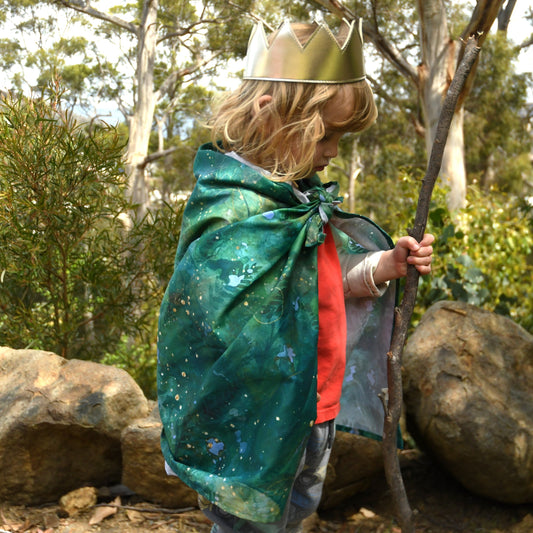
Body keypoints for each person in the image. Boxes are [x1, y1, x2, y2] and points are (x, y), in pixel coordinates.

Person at [157, 18, 434, 532]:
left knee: (293, 519)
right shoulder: (230, 206)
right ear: (269, 115)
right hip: (251, 418)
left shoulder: (302, 199)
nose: (332, 152)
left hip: (314, 409)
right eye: (325, 134)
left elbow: (326, 280)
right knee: (245, 526)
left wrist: (384, 264)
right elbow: (202, 317)